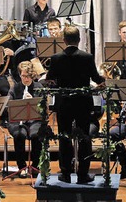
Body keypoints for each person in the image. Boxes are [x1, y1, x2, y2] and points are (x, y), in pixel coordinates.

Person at [46, 25, 105, 184]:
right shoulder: (87, 57)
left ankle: (65, 173)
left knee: (64, 137)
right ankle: (83, 174)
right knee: (84, 138)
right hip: (83, 103)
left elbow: (49, 79)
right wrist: (103, 80)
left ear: (64, 40)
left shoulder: (56, 58)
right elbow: (96, 78)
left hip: (64, 103)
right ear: (79, 40)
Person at [7, 61, 44, 178]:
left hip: (35, 120)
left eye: (28, 76)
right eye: (23, 76)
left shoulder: (39, 87)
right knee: (19, 134)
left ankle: (36, 165)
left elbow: (44, 108)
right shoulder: (15, 89)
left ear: (32, 75)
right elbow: (8, 106)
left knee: (36, 134)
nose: (26, 79)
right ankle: (21, 166)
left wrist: (33, 101)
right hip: (18, 121)